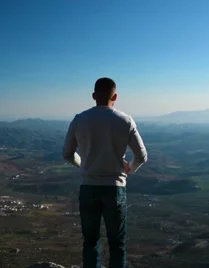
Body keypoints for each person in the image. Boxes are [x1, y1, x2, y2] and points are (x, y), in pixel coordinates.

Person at [63, 77, 148, 268]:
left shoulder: (79, 120)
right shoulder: (125, 121)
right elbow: (142, 156)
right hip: (115, 189)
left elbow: (67, 153)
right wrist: (129, 168)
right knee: (117, 244)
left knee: (90, 241)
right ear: (115, 96)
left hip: (89, 187)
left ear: (93, 96)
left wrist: (83, 164)